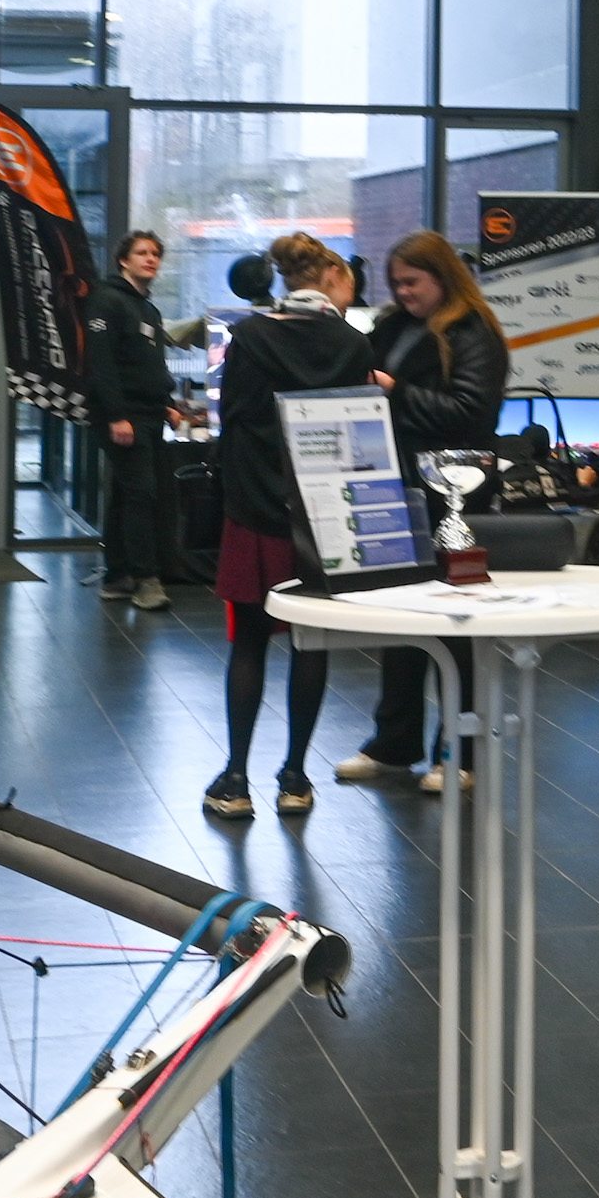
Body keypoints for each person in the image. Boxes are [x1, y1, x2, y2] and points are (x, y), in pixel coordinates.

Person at [207, 230, 372, 820]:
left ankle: (234, 778)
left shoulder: (250, 337)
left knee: (249, 641)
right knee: (312, 641)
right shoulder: (352, 343)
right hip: (323, 511)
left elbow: (235, 419)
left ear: (280, 278)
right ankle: (296, 776)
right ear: (326, 277)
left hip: (256, 508)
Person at [337, 230, 509, 789]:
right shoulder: (394, 325)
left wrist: (394, 393)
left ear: (441, 277)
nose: (403, 292)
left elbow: (471, 411)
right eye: (396, 283)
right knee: (402, 618)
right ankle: (396, 742)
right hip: (399, 486)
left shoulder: (474, 331)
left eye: (412, 282)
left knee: (456, 625)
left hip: (455, 495)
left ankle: (461, 752)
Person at [87, 230, 178, 614]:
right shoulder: (106, 301)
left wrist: (167, 404)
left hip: (148, 415)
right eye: (142, 253)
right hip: (123, 417)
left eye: (156, 253)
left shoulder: (148, 309)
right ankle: (146, 580)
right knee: (142, 494)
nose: (150, 259)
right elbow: (101, 364)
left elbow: (149, 367)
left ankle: (117, 575)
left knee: (127, 495)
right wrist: (116, 416)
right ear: (123, 260)